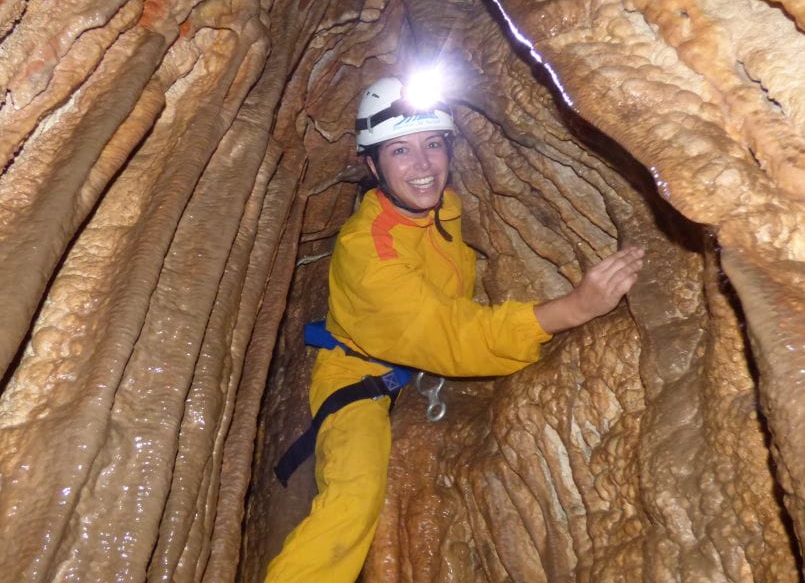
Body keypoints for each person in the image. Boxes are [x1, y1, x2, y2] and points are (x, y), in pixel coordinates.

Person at [265, 74, 644, 582]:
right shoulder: (369, 250)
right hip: (359, 372)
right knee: (354, 497)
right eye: (400, 150)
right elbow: (453, 336)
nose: (423, 165)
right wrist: (575, 308)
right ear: (372, 166)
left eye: (433, 144)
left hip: (423, 351)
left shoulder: (444, 207)